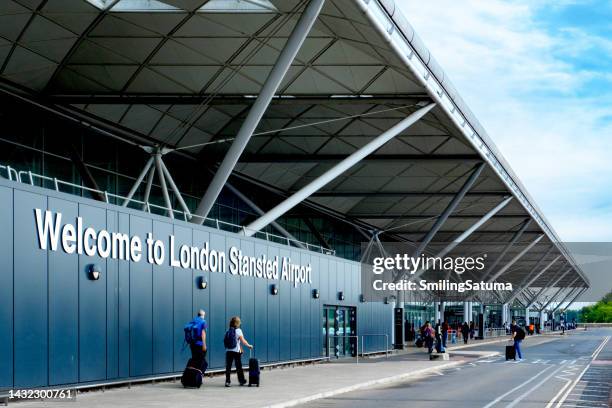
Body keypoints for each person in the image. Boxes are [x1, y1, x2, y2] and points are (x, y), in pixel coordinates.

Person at [224, 316, 253, 387]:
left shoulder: (228, 330)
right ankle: (241, 380)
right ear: (237, 323)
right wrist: (249, 345)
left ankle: (227, 382)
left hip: (228, 350)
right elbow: (243, 341)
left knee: (228, 366)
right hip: (236, 351)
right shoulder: (238, 330)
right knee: (239, 366)